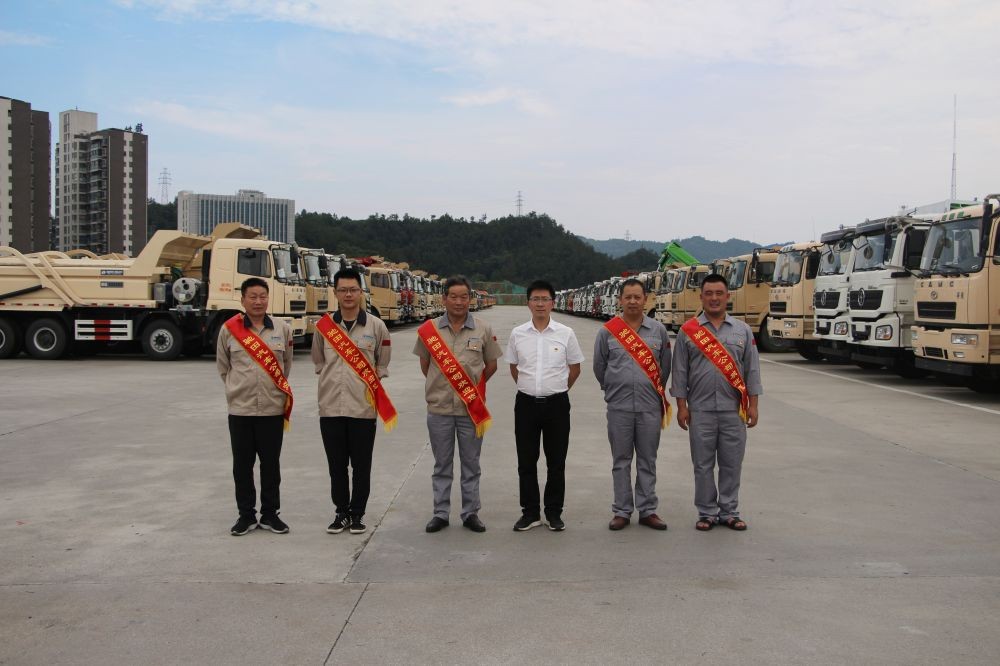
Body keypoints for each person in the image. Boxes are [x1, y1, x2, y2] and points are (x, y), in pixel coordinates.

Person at [671, 273, 762, 531]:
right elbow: (680, 372)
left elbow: (752, 370)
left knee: (731, 463)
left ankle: (730, 511)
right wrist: (681, 406)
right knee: (702, 464)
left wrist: (753, 405)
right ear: (701, 297)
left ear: (727, 296)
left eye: (719, 293)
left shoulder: (742, 330)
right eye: (709, 293)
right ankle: (707, 512)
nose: (714, 298)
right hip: (700, 410)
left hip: (734, 410)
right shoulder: (688, 331)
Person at [414, 276, 502, 533]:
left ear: (469, 299)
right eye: (453, 296)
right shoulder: (429, 329)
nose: (459, 301)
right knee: (441, 464)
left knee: (471, 464)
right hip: (439, 409)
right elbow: (425, 365)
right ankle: (440, 513)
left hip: (470, 410)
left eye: (464, 296)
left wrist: (471, 389)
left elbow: (491, 365)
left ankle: (470, 513)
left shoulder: (483, 329)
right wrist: (442, 385)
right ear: (444, 299)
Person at [312, 267, 394, 536]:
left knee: (361, 466)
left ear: (361, 292)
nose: (348, 295)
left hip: (363, 409)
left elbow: (382, 363)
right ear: (335, 293)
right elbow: (319, 362)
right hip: (330, 407)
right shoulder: (323, 327)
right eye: (343, 290)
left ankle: (357, 514)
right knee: (336, 466)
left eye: (353, 290)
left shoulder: (377, 326)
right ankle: (341, 512)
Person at [217, 277, 295, 536]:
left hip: (272, 409)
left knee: (271, 465)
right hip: (241, 410)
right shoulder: (229, 329)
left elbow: (286, 365)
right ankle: (246, 515)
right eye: (253, 296)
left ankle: (271, 514)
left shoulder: (282, 329)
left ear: (268, 298)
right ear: (243, 300)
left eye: (263, 296)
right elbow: (224, 367)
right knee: (242, 466)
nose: (258, 301)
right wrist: (237, 388)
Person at [504, 280, 584, 532]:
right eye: (535, 299)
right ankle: (530, 513)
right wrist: (531, 388)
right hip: (526, 405)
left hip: (557, 405)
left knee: (556, 461)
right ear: (528, 303)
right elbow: (514, 368)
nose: (540, 304)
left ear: (553, 303)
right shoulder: (518, 333)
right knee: (526, 462)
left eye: (545, 299)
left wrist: (556, 388)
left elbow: (575, 368)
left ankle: (553, 513)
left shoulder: (565, 333)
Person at [593, 278, 672, 531]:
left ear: (645, 299)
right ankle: (622, 510)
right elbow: (599, 367)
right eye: (628, 297)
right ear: (620, 300)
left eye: (637, 297)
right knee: (621, 460)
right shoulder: (608, 331)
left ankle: (648, 510)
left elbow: (665, 366)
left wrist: (652, 390)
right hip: (619, 407)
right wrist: (614, 389)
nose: (633, 301)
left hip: (649, 407)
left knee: (648, 460)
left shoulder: (658, 331)